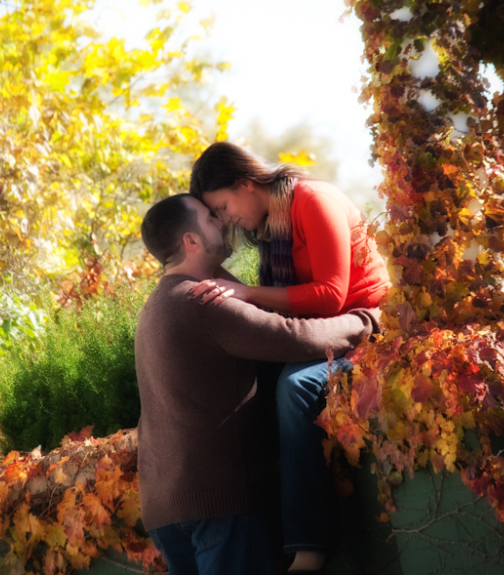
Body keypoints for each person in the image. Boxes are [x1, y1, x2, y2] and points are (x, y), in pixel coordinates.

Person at [136, 194, 381, 575]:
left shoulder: (156, 306)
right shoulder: (202, 302)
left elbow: (255, 313)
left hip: (165, 509)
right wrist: (367, 320)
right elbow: (293, 336)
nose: (222, 222)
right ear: (191, 240)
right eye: (210, 218)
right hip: (219, 505)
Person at [189, 141, 391, 573]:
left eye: (223, 207)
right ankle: (257, 536)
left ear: (246, 183)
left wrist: (247, 293)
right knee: (244, 386)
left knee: (296, 386)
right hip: (320, 334)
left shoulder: (312, 200)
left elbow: (331, 294)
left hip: (364, 327)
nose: (226, 219)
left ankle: (309, 548)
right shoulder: (272, 226)